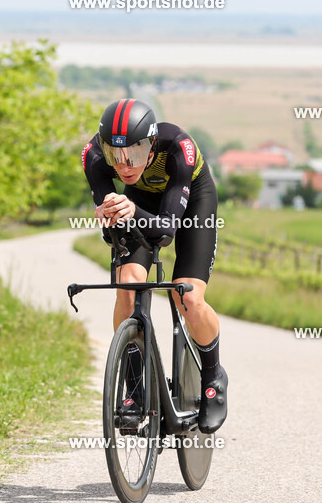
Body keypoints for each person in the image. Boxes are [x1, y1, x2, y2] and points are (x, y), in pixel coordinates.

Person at [81, 98, 227, 434]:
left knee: (187, 296)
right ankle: (134, 386)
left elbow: (166, 230)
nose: (124, 164)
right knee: (127, 285)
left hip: (190, 206)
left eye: (134, 153)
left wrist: (129, 210)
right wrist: (108, 214)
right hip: (140, 202)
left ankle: (213, 375)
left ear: (151, 146)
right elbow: (111, 226)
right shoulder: (93, 155)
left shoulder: (179, 147)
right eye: (115, 156)